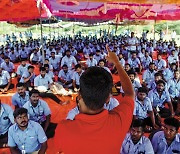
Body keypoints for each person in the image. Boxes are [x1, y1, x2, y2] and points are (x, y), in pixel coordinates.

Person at [54, 45, 134, 154]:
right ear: (107, 99)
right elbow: (129, 93)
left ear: (79, 95)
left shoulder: (63, 129)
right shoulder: (119, 121)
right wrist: (117, 63)